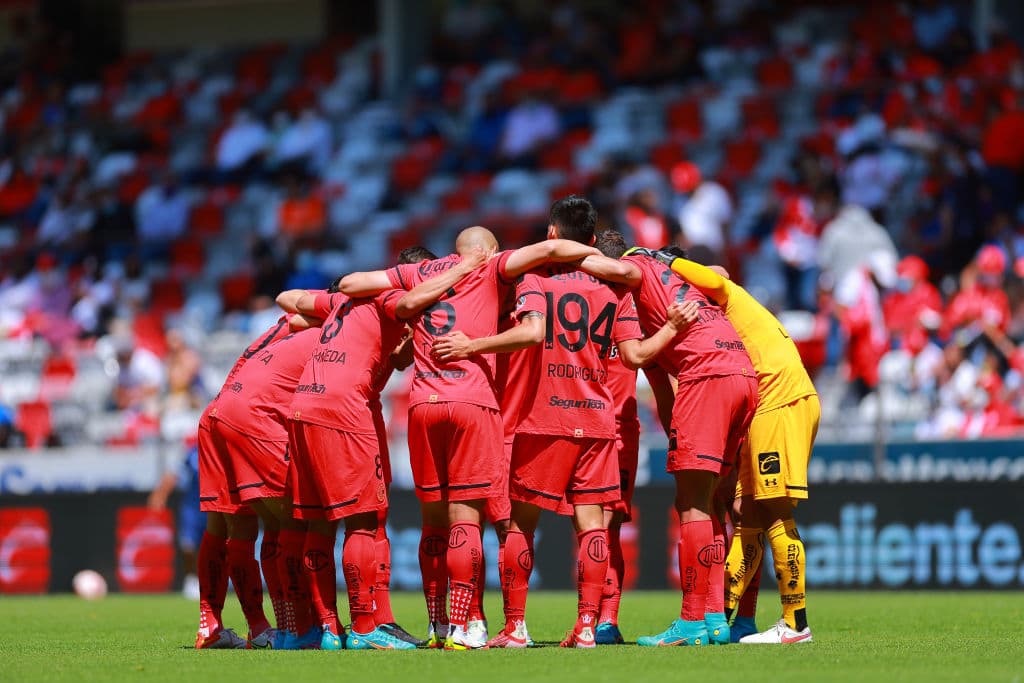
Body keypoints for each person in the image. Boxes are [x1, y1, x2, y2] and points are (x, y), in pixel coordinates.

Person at [430, 201, 693, 649]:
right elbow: (633, 357)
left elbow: (528, 329)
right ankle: (588, 626)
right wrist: (669, 327)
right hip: (597, 419)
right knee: (592, 526)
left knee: (517, 526)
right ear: (592, 240)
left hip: (543, 415)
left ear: (553, 233)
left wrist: (473, 345)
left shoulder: (535, 279)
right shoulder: (616, 290)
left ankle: (515, 627)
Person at [338, 224, 603, 649]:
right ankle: (465, 626)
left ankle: (437, 625)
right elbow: (551, 246)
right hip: (472, 402)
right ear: (490, 250)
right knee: (466, 519)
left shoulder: (422, 271)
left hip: (422, 406)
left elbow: (351, 283)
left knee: (431, 522)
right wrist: (609, 264)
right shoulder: (492, 265)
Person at [286, 245, 493, 650]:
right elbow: (414, 299)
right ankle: (365, 627)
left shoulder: (348, 300)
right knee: (365, 519)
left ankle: (328, 628)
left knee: (318, 522)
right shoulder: (391, 295)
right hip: (344, 407)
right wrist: (466, 267)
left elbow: (290, 304)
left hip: (304, 403)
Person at [575, 241, 758, 648]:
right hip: (743, 375)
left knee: (691, 505)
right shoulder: (678, 284)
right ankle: (715, 617)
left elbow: (636, 349)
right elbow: (662, 387)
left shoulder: (632, 272)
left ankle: (692, 621)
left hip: (708, 377)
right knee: (711, 504)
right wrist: (683, 433)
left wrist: (559, 254)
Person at [651, 247, 819, 644]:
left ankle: (795, 623)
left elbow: (716, 275)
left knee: (776, 511)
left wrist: (663, 260)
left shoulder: (722, 295)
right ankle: (723, 618)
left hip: (779, 401)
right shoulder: (722, 315)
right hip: (776, 401)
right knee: (749, 513)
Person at [588, 230, 677, 645]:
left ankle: (592, 620)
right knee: (608, 526)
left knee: (592, 528)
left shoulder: (574, 300)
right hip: (620, 430)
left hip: (582, 425)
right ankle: (604, 619)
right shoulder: (635, 305)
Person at [195, 312, 293, 649]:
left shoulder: (280, 327)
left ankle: (211, 625)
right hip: (246, 417)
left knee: (221, 526)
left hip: (218, 412)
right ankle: (270, 625)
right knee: (272, 521)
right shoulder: (310, 332)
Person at [147, 441, 204, 601]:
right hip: (193, 507)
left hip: (215, 505)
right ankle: (191, 580)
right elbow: (174, 474)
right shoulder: (193, 453)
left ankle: (214, 583)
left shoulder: (223, 450)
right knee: (188, 546)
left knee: (214, 547)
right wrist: (160, 494)